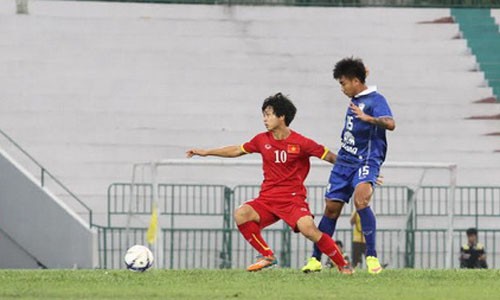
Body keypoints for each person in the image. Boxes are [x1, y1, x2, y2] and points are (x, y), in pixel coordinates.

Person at [186, 92, 353, 274]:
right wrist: (206, 152)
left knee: (309, 229)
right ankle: (267, 255)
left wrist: (355, 171)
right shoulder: (261, 140)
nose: (264, 119)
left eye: (268, 115)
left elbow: (329, 156)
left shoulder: (301, 142)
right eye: (263, 115)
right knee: (241, 214)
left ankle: (343, 265)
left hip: (293, 199)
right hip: (267, 199)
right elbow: (236, 150)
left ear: (281, 117)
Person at [302, 57, 395, 274]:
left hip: (366, 160)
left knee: (360, 200)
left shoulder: (376, 100)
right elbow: (362, 76)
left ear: (354, 81)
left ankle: (371, 256)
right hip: (345, 161)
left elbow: (391, 123)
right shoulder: (357, 93)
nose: (341, 88)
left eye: (343, 83)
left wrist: (368, 118)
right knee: (331, 209)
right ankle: (315, 259)